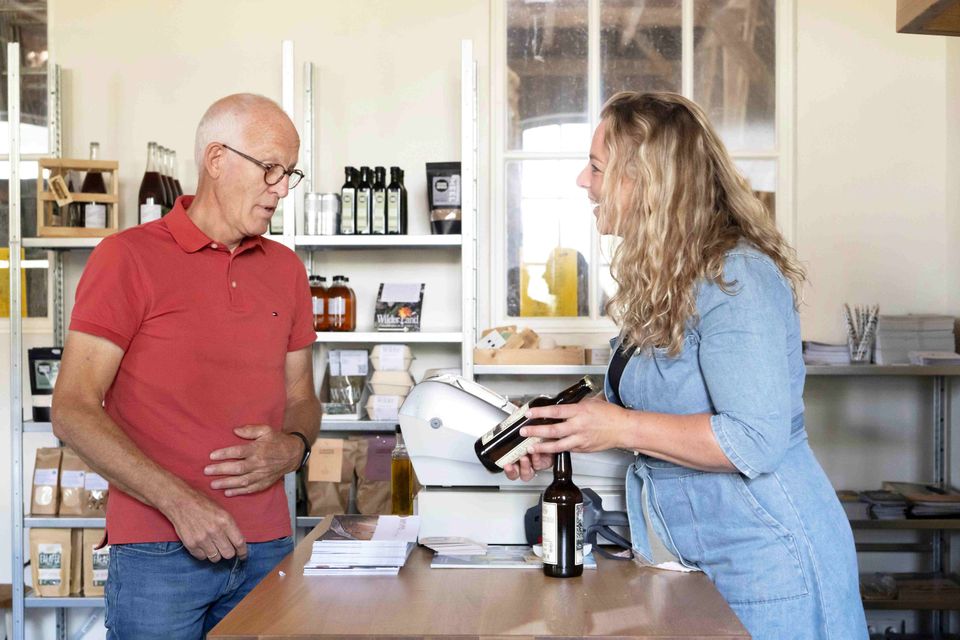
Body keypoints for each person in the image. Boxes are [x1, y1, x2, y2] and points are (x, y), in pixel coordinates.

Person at [506, 92, 868, 639]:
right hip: (693, 558)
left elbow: (753, 438)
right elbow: (651, 401)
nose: (584, 180)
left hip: (768, 561)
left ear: (646, 182)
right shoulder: (666, 277)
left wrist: (617, 427)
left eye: (597, 166)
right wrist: (558, 429)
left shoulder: (738, 278)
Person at [52, 93, 320, 639]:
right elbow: (72, 408)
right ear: (217, 160)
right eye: (270, 168)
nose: (282, 188)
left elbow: (302, 397)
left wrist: (294, 446)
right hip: (157, 553)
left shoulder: (287, 269)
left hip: (268, 546)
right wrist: (180, 504)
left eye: (290, 173)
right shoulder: (126, 258)